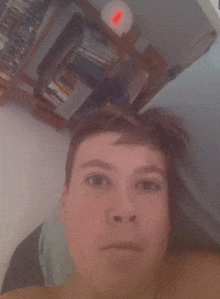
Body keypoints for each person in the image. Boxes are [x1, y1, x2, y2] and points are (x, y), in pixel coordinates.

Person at [2, 104, 220, 299]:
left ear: (168, 217)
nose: (125, 209)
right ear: (65, 204)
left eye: (148, 185)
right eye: (97, 180)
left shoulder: (210, 280)